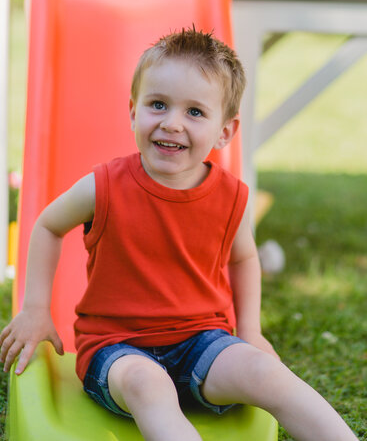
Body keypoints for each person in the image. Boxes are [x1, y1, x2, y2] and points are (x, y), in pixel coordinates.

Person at [0, 28, 359, 441]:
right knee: (149, 385)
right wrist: (36, 308)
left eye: (194, 112)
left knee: (266, 372)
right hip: (117, 349)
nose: (171, 124)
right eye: (158, 105)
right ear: (134, 112)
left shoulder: (231, 197)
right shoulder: (104, 186)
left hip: (202, 342)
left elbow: (243, 258)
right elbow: (47, 224)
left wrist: (251, 330)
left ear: (225, 131)